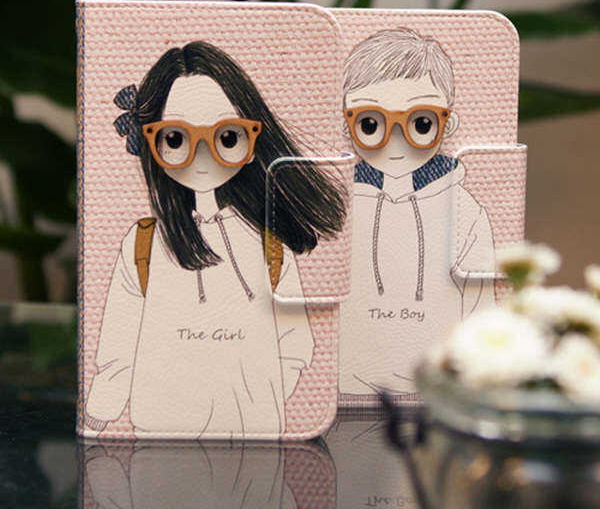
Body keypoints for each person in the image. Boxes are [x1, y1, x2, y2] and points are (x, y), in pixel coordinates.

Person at [84, 41, 346, 438]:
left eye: (227, 137)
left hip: (256, 435)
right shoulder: (144, 245)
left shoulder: (269, 243)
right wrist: (99, 415)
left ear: (253, 140)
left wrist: (265, 393)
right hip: (159, 432)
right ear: (151, 144)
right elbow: (119, 342)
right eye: (176, 139)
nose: (202, 155)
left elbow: (295, 340)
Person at [338, 28, 496, 402]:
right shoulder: (339, 207)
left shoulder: (465, 209)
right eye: (371, 123)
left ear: (448, 124)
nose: (396, 140)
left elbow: (482, 305)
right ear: (347, 125)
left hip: (441, 393)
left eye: (420, 122)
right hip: (346, 388)